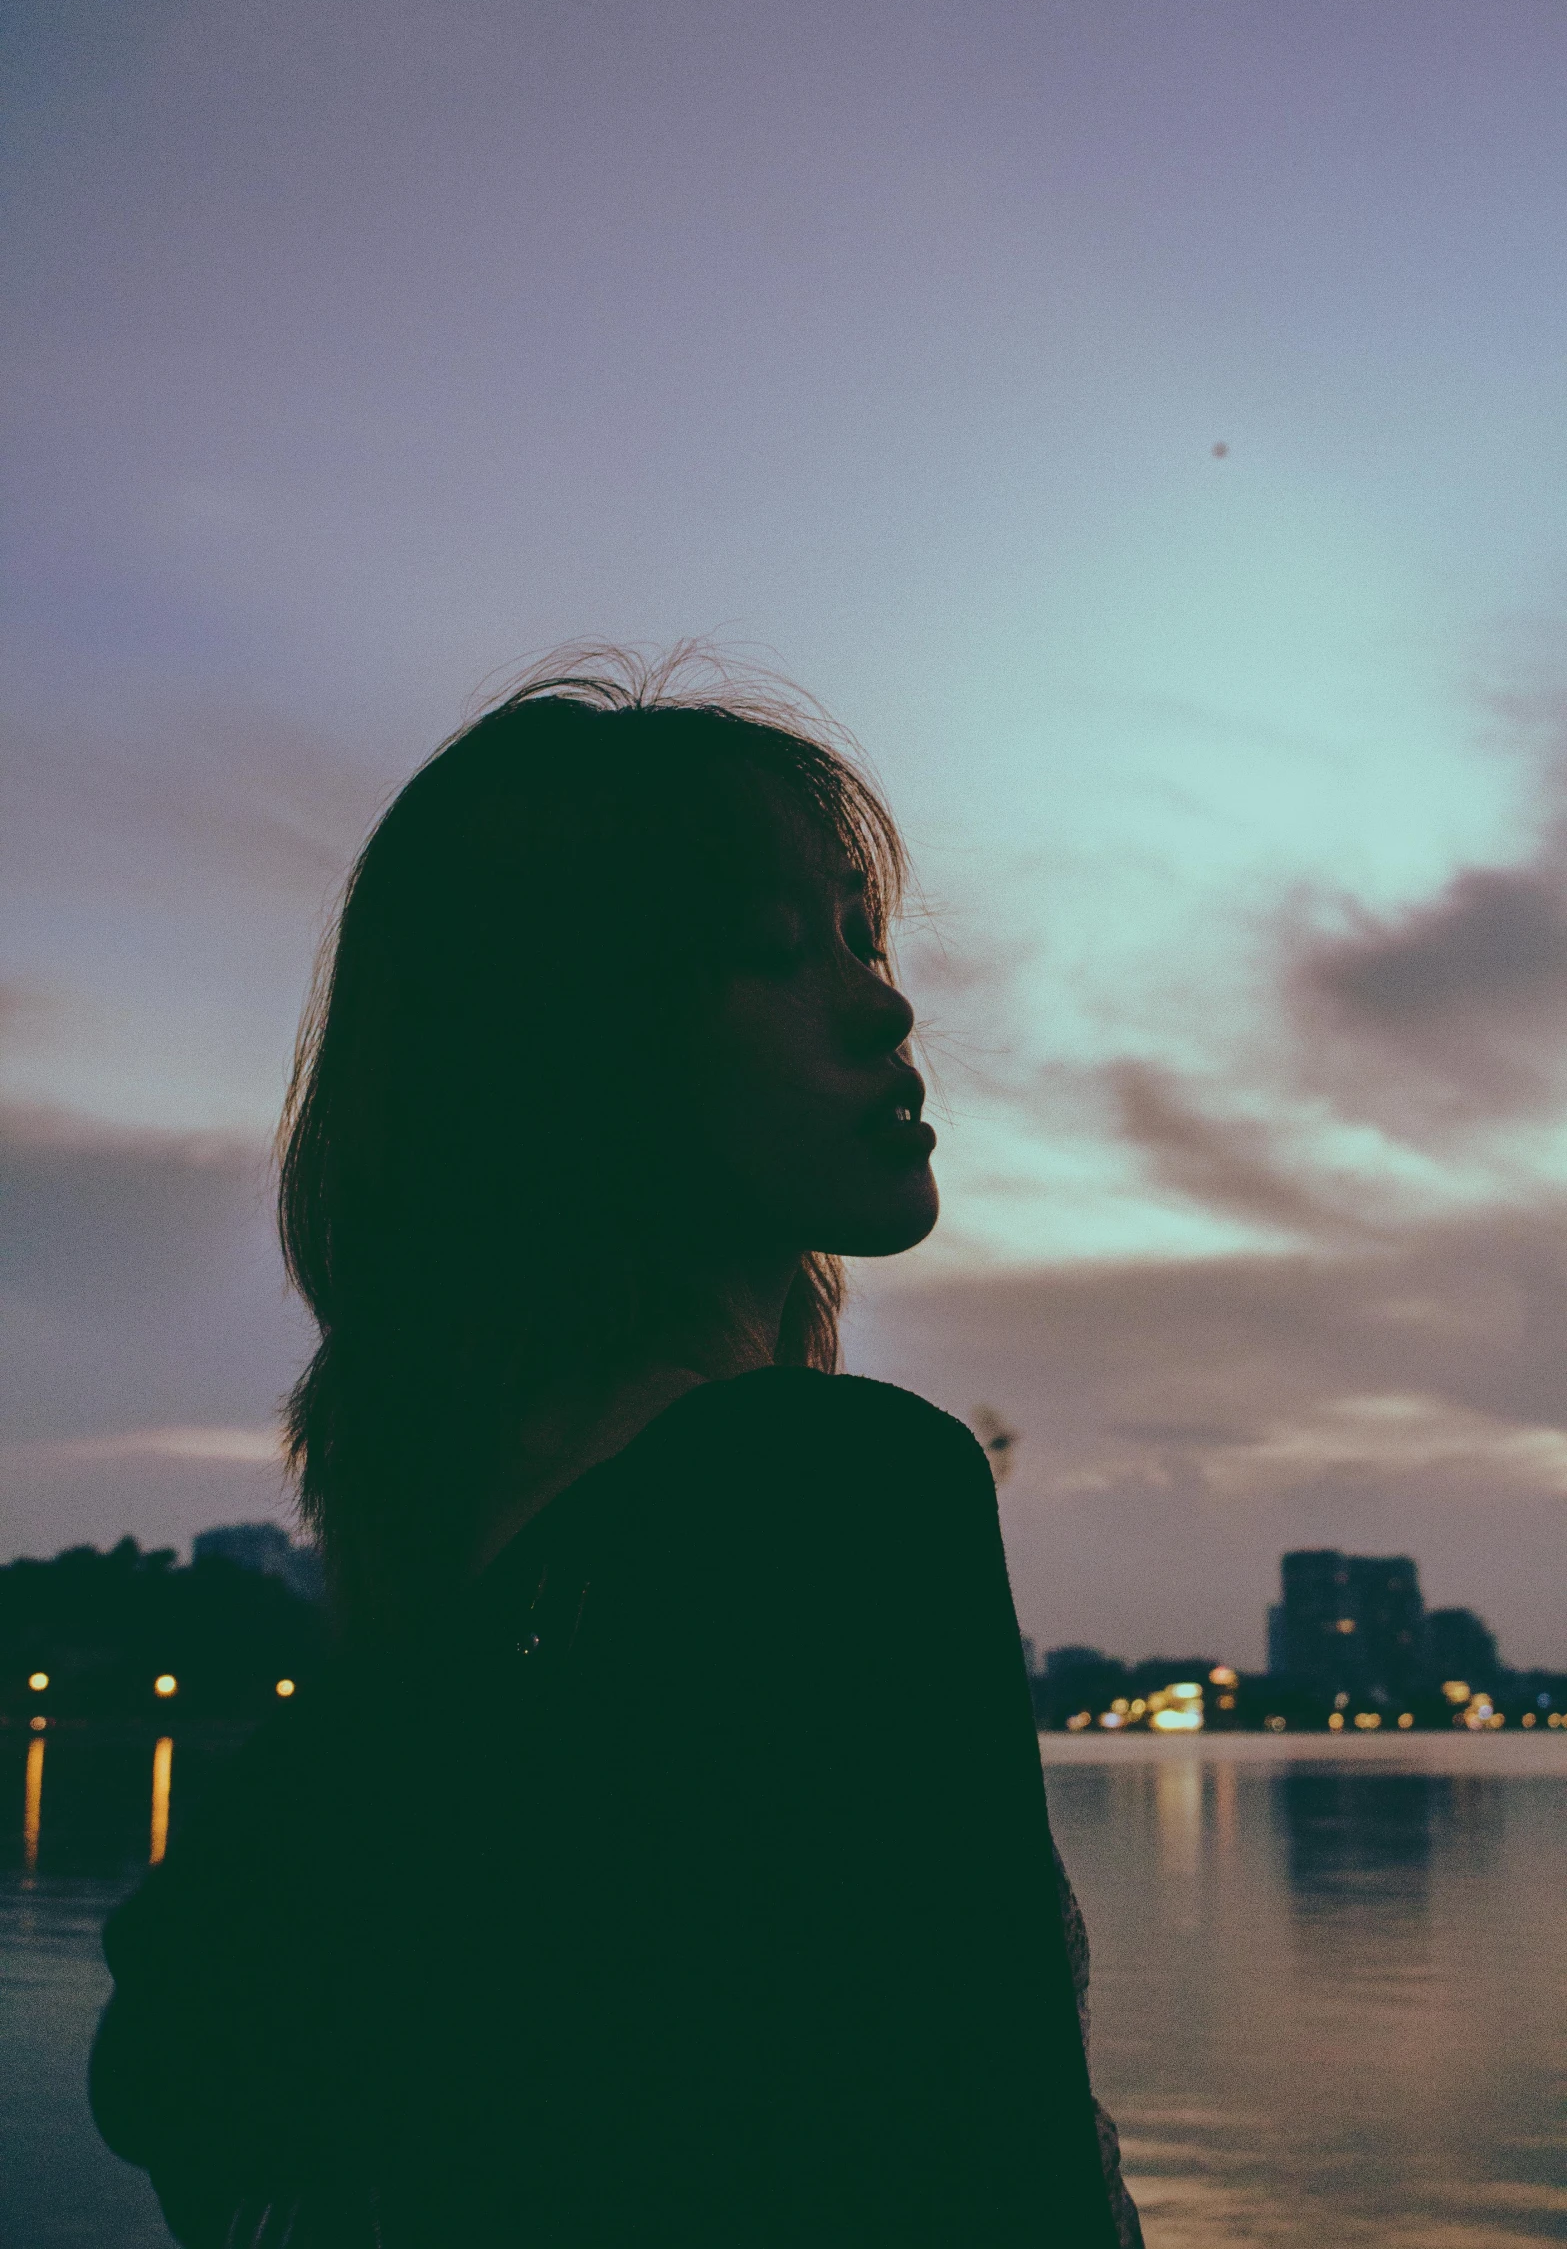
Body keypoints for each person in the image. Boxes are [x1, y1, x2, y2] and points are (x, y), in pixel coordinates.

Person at [89, 650, 1142, 2248]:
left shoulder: (430, 1642)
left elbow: (173, 2073)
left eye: (864, 936)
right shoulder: (829, 1494)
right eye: (777, 951)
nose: (882, 998)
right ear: (578, 1051)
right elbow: (984, 2168)